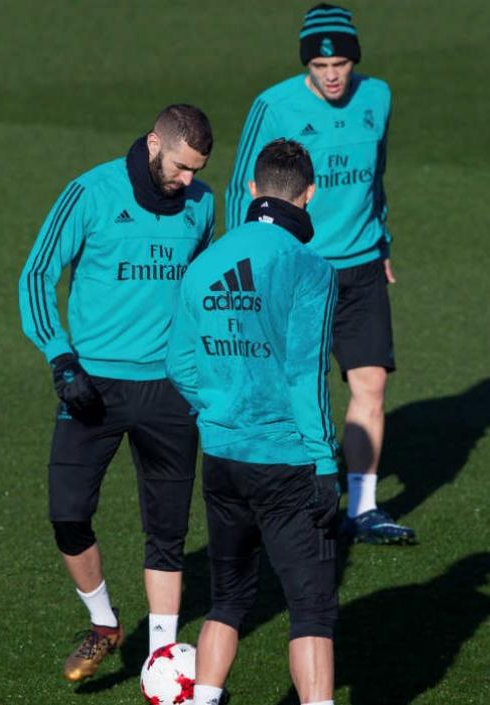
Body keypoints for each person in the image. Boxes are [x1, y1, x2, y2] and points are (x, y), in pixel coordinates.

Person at [17, 104, 215, 681]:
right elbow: (35, 274)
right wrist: (60, 356)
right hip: (92, 386)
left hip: (171, 389)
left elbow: (202, 289)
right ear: (155, 143)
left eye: (197, 170)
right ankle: (104, 623)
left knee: (167, 529)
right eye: (180, 167)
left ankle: (161, 656)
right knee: (67, 513)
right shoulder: (91, 193)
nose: (188, 181)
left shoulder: (202, 205)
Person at [226, 4, 414, 545]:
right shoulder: (274, 106)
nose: (331, 74)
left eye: (340, 63)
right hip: (300, 271)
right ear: (307, 64)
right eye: (320, 65)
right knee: (289, 392)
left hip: (362, 267)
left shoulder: (378, 98)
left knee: (370, 384)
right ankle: (282, 502)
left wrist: (382, 243)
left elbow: (376, 178)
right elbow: (247, 187)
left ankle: (363, 509)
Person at [167, 139, 340, 705]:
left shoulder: (204, 262)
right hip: (287, 461)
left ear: (250, 188)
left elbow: (179, 364)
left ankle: (204, 699)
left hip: (221, 459)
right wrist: (324, 461)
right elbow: (307, 373)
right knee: (311, 609)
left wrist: (217, 410)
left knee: (228, 600)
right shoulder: (309, 267)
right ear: (309, 194)